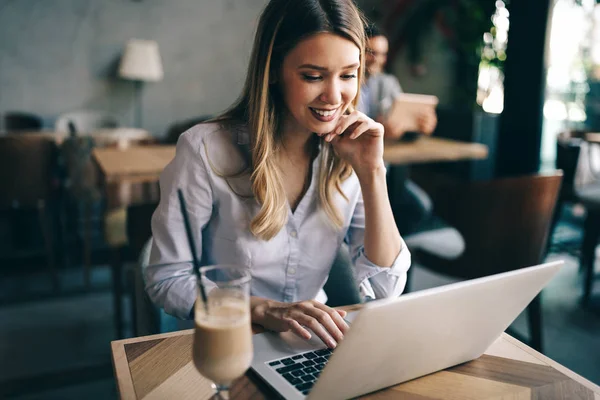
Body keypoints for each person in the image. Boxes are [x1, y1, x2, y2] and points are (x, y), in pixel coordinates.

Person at [146, 0, 411, 349]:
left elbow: (383, 289)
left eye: (348, 75)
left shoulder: (352, 154)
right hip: (227, 341)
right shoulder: (205, 150)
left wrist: (373, 172)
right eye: (313, 76)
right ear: (272, 70)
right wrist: (264, 310)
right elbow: (168, 277)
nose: (335, 96)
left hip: (313, 343)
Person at [358, 24, 436, 235]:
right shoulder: (346, 82)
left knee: (420, 207)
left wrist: (420, 126)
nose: (377, 59)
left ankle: (398, 257)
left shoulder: (388, 83)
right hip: (356, 171)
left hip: (387, 169)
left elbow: (402, 118)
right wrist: (381, 129)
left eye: (383, 54)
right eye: (371, 52)